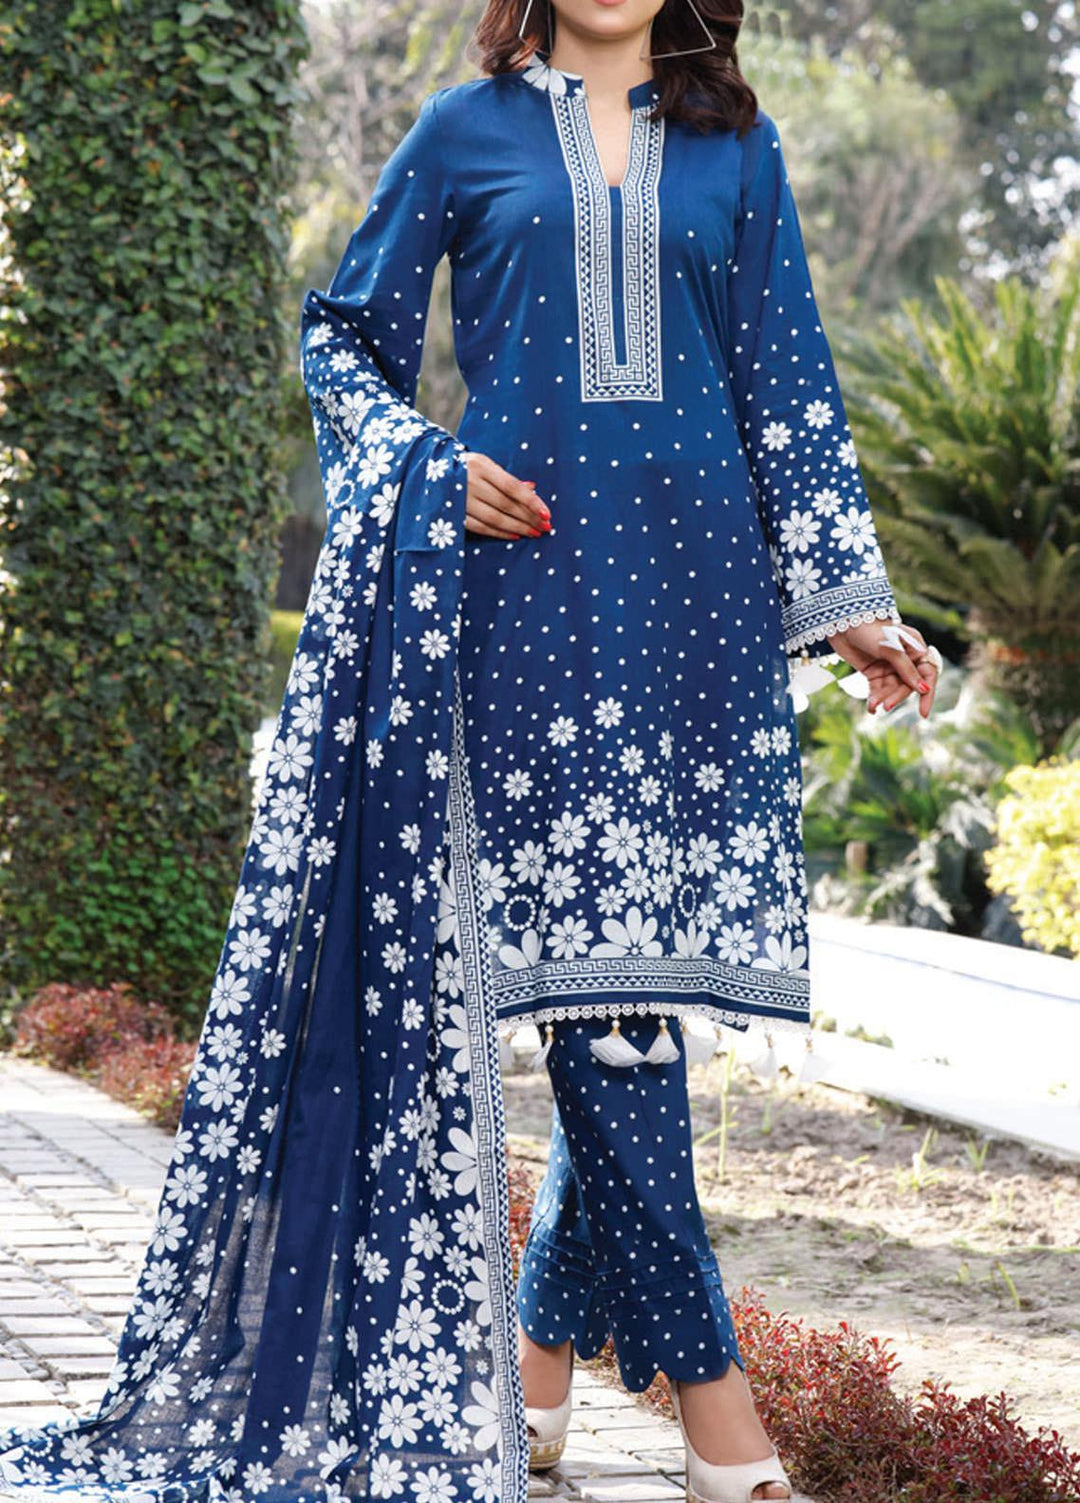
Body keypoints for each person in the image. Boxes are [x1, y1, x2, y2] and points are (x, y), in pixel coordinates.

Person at [0, 2, 941, 1501]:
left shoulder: (738, 148)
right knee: (604, 1005)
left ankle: (540, 1374)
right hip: (530, 612)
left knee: (628, 992)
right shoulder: (466, 130)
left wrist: (851, 609)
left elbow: (790, 385)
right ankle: (723, 1421)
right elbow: (342, 342)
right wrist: (430, 467)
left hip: (696, 621)